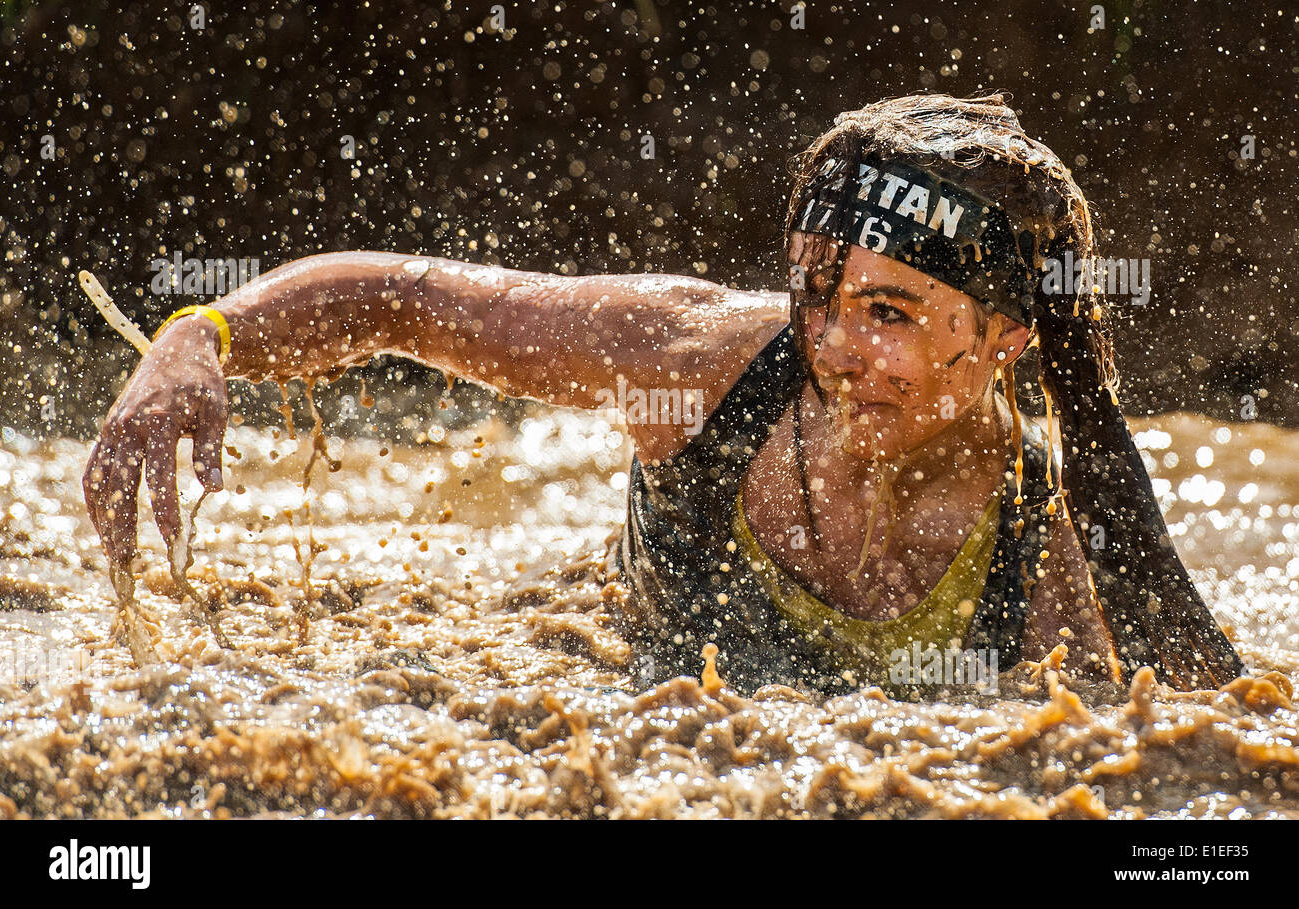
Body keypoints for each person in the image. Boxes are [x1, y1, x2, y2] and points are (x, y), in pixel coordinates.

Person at [83, 93, 1241, 698]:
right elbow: (401, 297)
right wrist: (202, 334)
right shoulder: (694, 368)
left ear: (1003, 339)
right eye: (814, 294)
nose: (834, 346)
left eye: (887, 314)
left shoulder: (1055, 552)